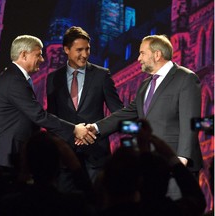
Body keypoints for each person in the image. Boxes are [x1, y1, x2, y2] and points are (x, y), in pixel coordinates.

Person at [87, 34, 203, 200]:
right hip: (150, 167)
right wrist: (96, 128)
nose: (138, 58)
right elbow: (127, 113)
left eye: (142, 53)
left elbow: (190, 121)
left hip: (174, 164)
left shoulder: (186, 78)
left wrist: (181, 160)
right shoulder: (144, 85)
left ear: (157, 54)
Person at [0, 35, 95, 168]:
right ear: (24, 55)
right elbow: (38, 115)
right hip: (4, 155)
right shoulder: (14, 81)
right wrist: (75, 129)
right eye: (39, 55)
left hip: (10, 154)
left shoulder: (14, 78)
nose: (42, 59)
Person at [46, 26, 123, 192]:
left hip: (96, 158)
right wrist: (72, 133)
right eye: (79, 50)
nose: (85, 54)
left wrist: (94, 131)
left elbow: (119, 113)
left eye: (87, 49)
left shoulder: (102, 75)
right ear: (66, 49)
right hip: (64, 159)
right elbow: (51, 119)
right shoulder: (53, 79)